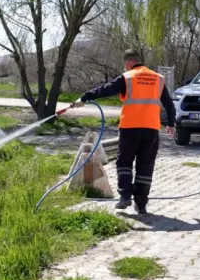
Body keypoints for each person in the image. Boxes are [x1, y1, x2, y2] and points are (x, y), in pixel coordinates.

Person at [72, 49, 177, 214]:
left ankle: (125, 196)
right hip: (151, 129)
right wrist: (171, 123)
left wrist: (85, 97)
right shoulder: (158, 78)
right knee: (146, 166)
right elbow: (169, 104)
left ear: (128, 63)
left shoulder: (127, 77)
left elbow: (105, 89)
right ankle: (141, 203)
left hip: (130, 128)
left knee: (124, 162)